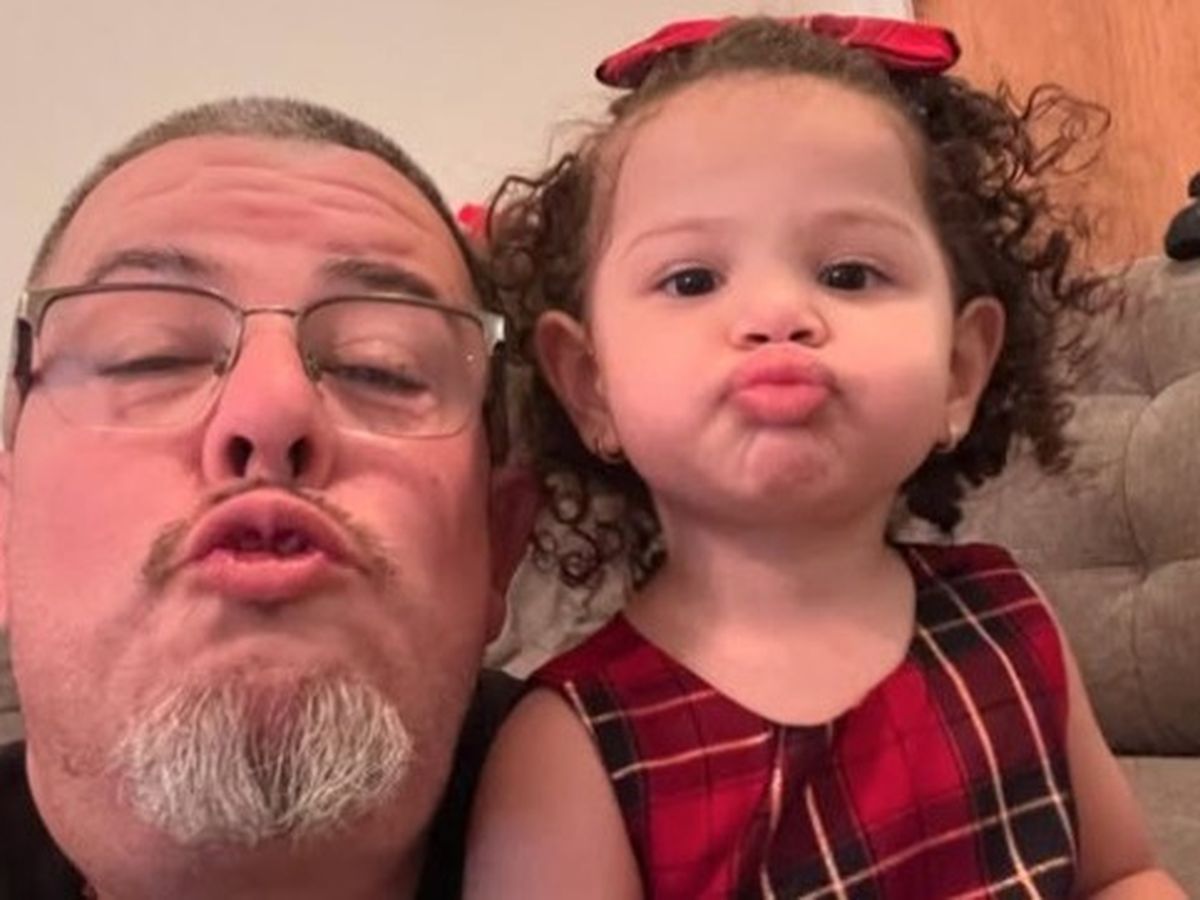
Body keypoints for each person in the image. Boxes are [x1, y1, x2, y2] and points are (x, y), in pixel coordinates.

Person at [465, 16, 1184, 899]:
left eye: (848, 274)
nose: (777, 313)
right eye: (692, 280)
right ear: (590, 386)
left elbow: (1124, 874)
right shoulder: (569, 747)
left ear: (960, 369)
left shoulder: (1009, 615)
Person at [0, 96, 526, 900]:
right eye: (152, 355)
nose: (273, 409)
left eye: (379, 367)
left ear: (501, 542)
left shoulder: (671, 804)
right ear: (5, 532)